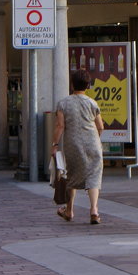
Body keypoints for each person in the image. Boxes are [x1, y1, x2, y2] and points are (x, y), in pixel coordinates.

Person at [52, 69, 105, 224]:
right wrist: (95, 138)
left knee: (72, 176)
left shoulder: (63, 103)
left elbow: (60, 126)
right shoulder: (92, 103)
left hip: (72, 144)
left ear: (72, 84)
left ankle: (69, 210)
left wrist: (54, 145)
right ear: (88, 85)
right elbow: (100, 126)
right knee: (94, 177)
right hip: (93, 143)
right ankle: (94, 210)